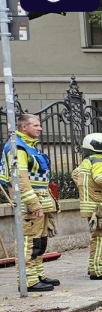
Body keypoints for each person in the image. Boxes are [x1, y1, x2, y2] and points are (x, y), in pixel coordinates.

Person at [0, 114, 60, 292]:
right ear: (24, 127)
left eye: (39, 125)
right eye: (36, 125)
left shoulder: (29, 146)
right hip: (30, 203)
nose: (40, 128)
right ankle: (28, 281)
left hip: (40, 201)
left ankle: (38, 275)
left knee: (39, 241)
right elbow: (21, 179)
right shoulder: (17, 147)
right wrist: (34, 204)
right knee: (29, 242)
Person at [72, 132, 102, 280]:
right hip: (100, 208)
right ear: (98, 147)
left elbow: (75, 174)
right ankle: (98, 270)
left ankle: (95, 266)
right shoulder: (98, 161)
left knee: (99, 238)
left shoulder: (88, 161)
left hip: (94, 206)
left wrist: (88, 189)